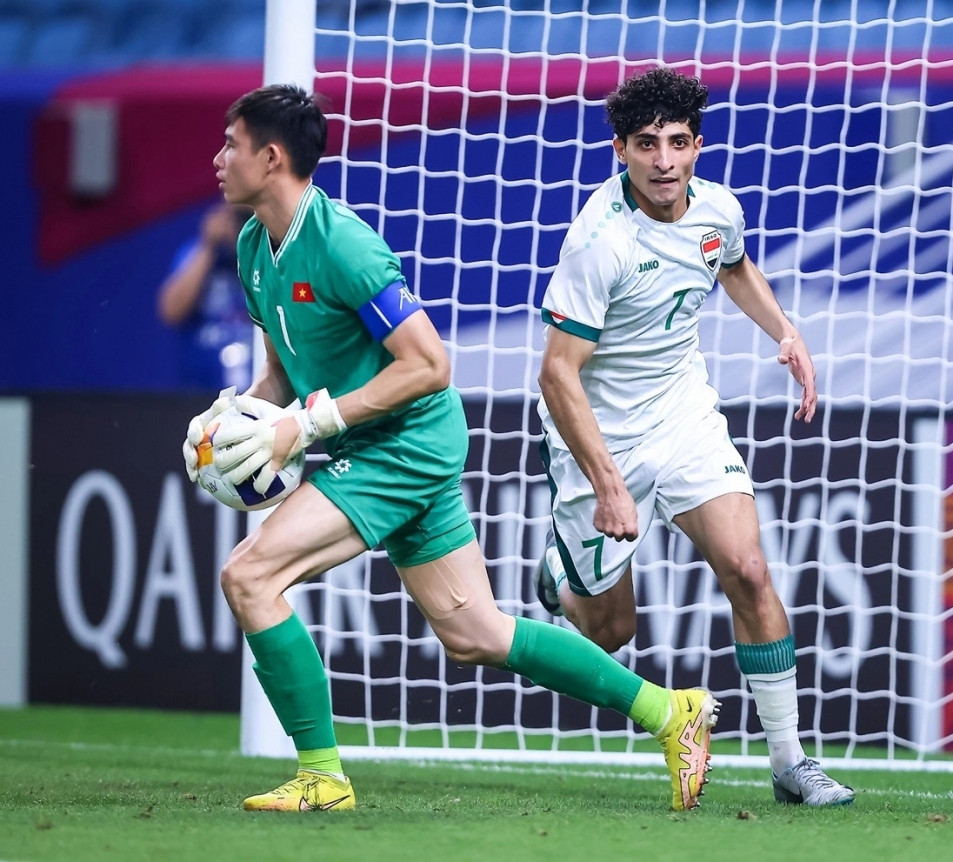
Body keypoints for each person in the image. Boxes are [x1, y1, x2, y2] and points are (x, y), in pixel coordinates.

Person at [181, 83, 718, 813]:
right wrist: (243, 415)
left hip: (401, 446)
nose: (218, 159)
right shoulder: (252, 246)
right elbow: (287, 366)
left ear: (271, 157)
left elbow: (430, 363)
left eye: (230, 144)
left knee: (249, 577)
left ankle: (321, 776)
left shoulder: (343, 244)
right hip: (376, 445)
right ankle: (669, 712)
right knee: (475, 631)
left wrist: (302, 430)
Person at [534, 66, 855, 807]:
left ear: (697, 146)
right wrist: (610, 484)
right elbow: (558, 376)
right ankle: (557, 575)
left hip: (683, 416)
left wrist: (786, 331)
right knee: (611, 632)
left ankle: (789, 763)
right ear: (621, 150)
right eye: (646, 145)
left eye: (677, 143)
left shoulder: (717, 209)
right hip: (599, 437)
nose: (664, 161)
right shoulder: (599, 243)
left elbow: (733, 266)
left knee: (747, 567)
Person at [157, 201, 255, 390]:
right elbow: (171, 312)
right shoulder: (197, 253)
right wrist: (208, 247)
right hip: (201, 390)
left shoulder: (268, 255)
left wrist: (247, 246)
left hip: (259, 390)